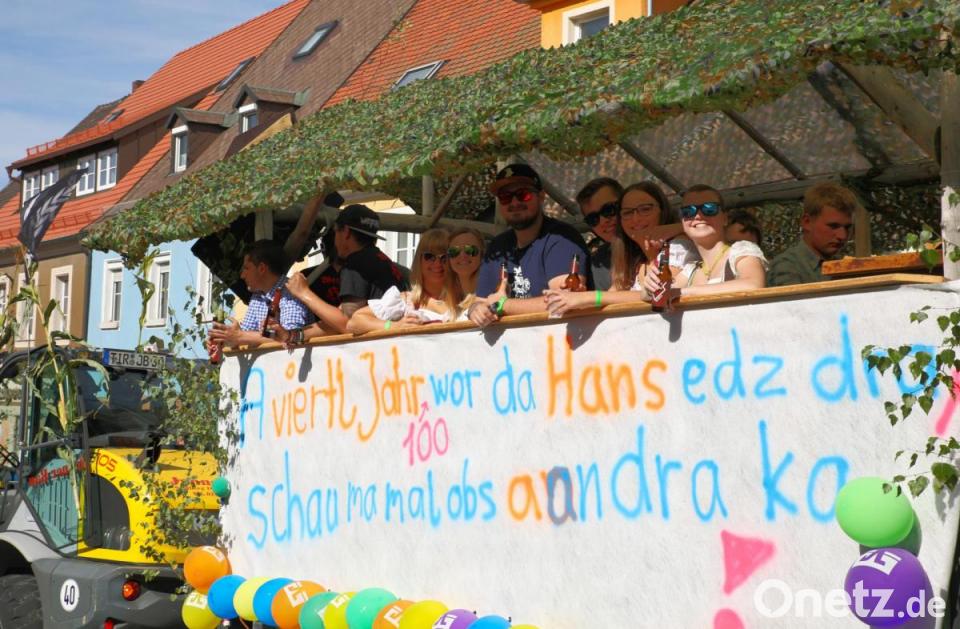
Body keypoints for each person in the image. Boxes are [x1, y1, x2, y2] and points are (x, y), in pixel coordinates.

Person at [468, 164, 590, 327]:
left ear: (541, 197)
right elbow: (481, 301)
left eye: (523, 195)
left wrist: (503, 305)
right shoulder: (497, 247)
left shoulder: (562, 238)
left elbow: (563, 301)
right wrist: (475, 310)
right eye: (505, 197)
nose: (514, 202)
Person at [545, 181, 689, 316]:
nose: (636, 219)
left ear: (662, 210)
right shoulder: (629, 256)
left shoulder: (679, 245)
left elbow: (658, 293)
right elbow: (613, 294)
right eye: (627, 212)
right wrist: (572, 298)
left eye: (609, 210)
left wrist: (590, 297)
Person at [644, 184, 767, 303]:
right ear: (683, 222)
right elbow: (648, 296)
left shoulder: (741, 250)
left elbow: (753, 284)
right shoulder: (691, 269)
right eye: (688, 211)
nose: (698, 216)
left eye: (709, 209)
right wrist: (650, 287)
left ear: (725, 218)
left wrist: (684, 292)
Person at [347, 229, 461, 333]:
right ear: (419, 261)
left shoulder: (465, 300)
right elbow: (354, 322)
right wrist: (394, 326)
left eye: (444, 257)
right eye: (429, 256)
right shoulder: (406, 301)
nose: (437, 263)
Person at [207, 240, 313, 349]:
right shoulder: (257, 296)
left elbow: (289, 337)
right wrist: (224, 341)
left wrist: (239, 336)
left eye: (246, 268)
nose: (242, 275)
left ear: (262, 268)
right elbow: (245, 335)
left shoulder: (291, 292)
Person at [767, 182, 857, 286]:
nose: (842, 236)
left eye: (847, 227)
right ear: (807, 222)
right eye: (833, 226)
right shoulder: (787, 266)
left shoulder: (840, 265)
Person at [332, 204, 409, 317]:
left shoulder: (355, 264)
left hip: (380, 327)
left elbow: (350, 317)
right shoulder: (382, 260)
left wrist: (307, 294)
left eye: (335, 231)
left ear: (346, 232)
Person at [576, 177, 623, 290]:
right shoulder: (595, 266)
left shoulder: (657, 245)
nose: (603, 221)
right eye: (593, 218)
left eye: (608, 210)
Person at [445, 226, 486, 318]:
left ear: (482, 255)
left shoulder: (489, 297)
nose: (462, 255)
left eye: (470, 250)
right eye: (454, 251)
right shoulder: (448, 302)